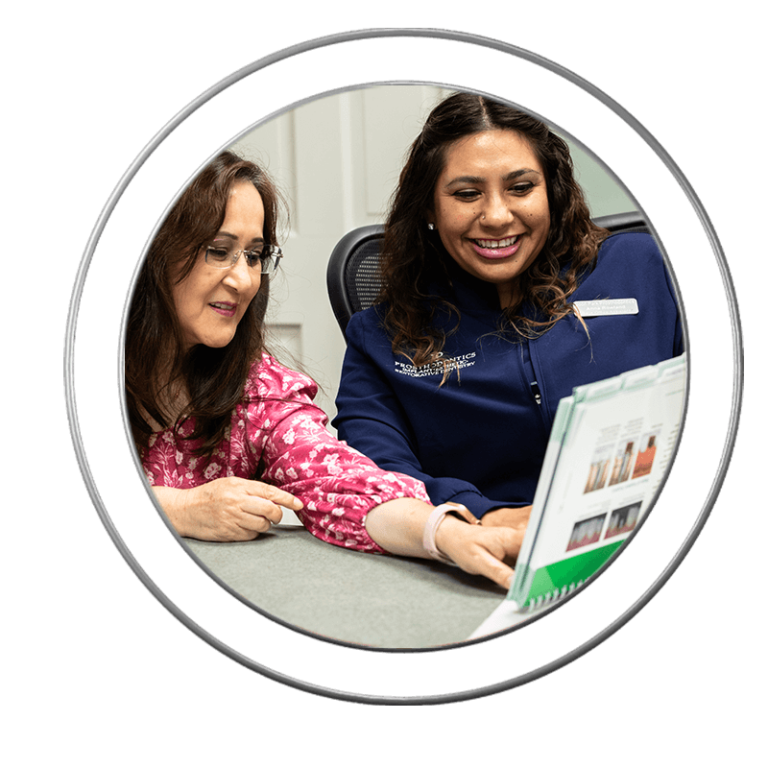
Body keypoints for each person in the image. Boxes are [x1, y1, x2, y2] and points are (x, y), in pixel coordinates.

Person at [126, 149, 527, 589]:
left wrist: (446, 533)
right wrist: (175, 508)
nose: (243, 280)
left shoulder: (258, 390)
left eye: (254, 256)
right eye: (218, 251)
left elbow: (341, 482)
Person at [332, 92, 683, 530]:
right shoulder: (380, 337)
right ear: (428, 207)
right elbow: (374, 471)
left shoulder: (645, 267)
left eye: (521, 188)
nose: (497, 216)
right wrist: (486, 516)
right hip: (486, 546)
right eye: (467, 193)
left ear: (552, 192)